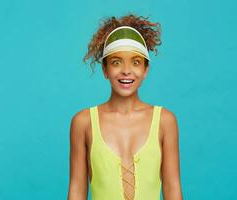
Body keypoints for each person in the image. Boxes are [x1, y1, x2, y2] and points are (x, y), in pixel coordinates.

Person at [67, 13, 183, 200]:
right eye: (116, 62)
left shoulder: (165, 121)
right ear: (105, 69)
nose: (126, 70)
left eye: (136, 62)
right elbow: (76, 191)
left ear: (146, 69)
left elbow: (173, 188)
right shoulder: (83, 122)